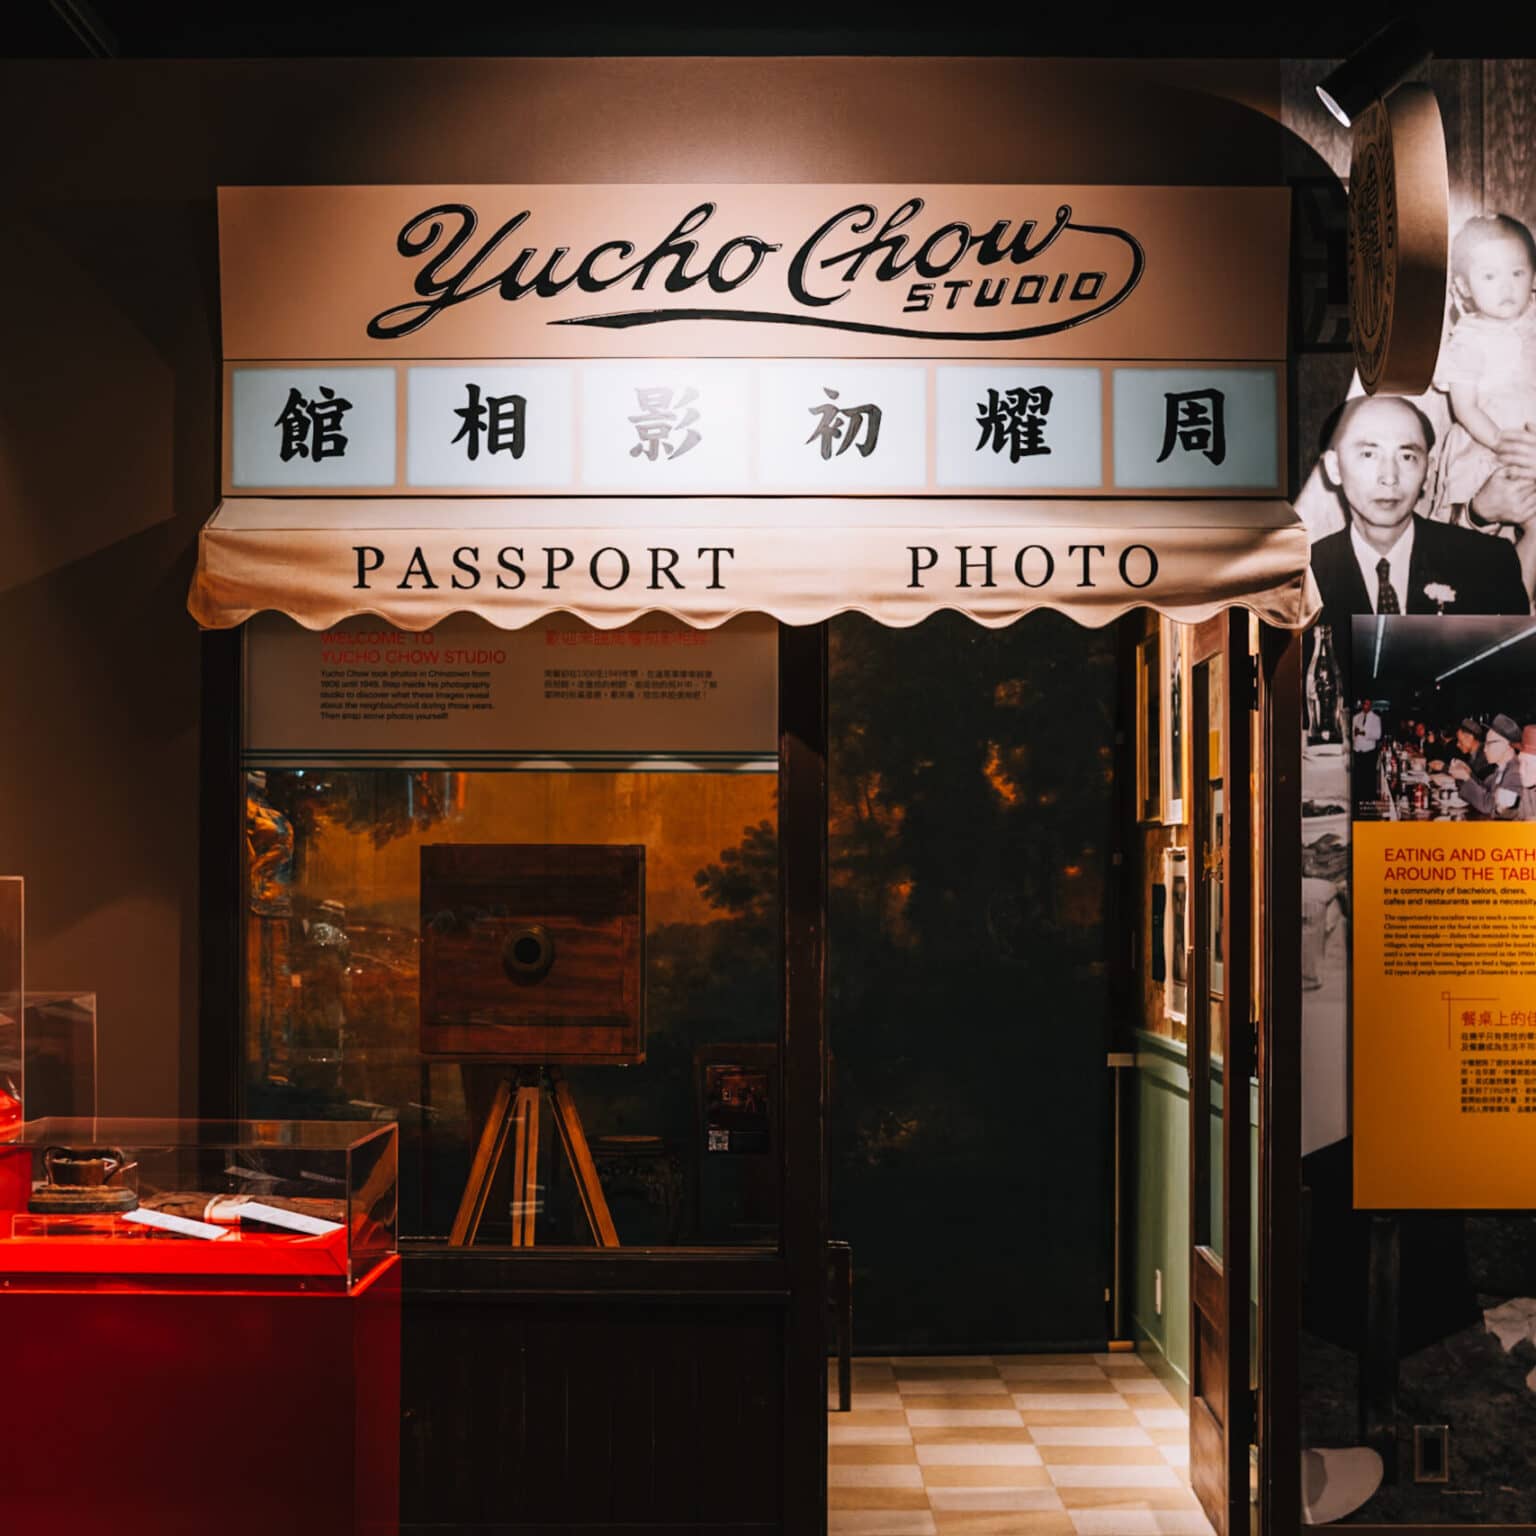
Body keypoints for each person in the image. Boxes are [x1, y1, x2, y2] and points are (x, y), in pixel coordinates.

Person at [1309, 396, 1530, 632]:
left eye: (1407, 457)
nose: (1389, 477)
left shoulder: (1490, 563)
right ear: (1334, 467)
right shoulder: (1303, 579)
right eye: (1368, 455)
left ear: (1427, 471)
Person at [1430, 217, 1536, 558]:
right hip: (1488, 444)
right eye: (1490, 276)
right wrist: (1501, 443)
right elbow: (1466, 408)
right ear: (1464, 287)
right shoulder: (1469, 340)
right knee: (1482, 546)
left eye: (1517, 273)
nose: (1506, 287)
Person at [1450, 713, 1523, 819]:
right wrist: (1468, 773)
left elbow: (1491, 807)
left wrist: (1466, 778)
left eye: (1489, 743)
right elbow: (1487, 790)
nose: (1484, 749)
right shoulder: (1502, 767)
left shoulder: (1515, 773)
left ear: (1506, 745)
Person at [1351, 698, 1382, 792]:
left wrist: (1364, 733)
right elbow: (1353, 733)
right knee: (1358, 777)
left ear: (1371, 705)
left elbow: (1378, 735)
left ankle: (1368, 795)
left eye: (1368, 704)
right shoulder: (1356, 717)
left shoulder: (1376, 718)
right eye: (1364, 704)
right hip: (1357, 750)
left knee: (1368, 777)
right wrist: (1355, 735)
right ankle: (1359, 796)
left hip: (1369, 751)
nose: (1366, 706)